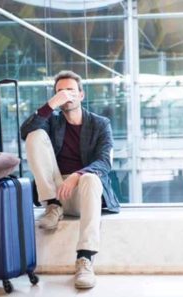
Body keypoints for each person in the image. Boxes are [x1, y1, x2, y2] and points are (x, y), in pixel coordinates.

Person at [20, 70, 120, 289]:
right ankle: (53, 206)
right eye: (60, 92)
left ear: (81, 95)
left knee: (92, 179)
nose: (66, 95)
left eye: (70, 91)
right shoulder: (51, 122)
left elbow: (105, 161)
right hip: (55, 191)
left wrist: (77, 175)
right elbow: (25, 130)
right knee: (34, 135)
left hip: (84, 193)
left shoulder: (100, 124)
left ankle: (85, 259)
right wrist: (51, 104)